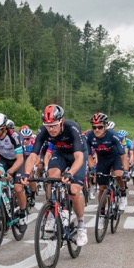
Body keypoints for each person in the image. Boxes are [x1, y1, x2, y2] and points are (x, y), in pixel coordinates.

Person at [26, 104, 89, 244]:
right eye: (48, 126)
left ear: (62, 121)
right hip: (60, 154)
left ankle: (81, 225)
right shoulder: (44, 131)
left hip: (77, 155)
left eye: (54, 125)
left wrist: (70, 173)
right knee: (51, 177)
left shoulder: (72, 128)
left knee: (73, 191)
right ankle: (51, 211)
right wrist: (26, 174)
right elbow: (33, 155)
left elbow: (79, 157)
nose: (51, 129)